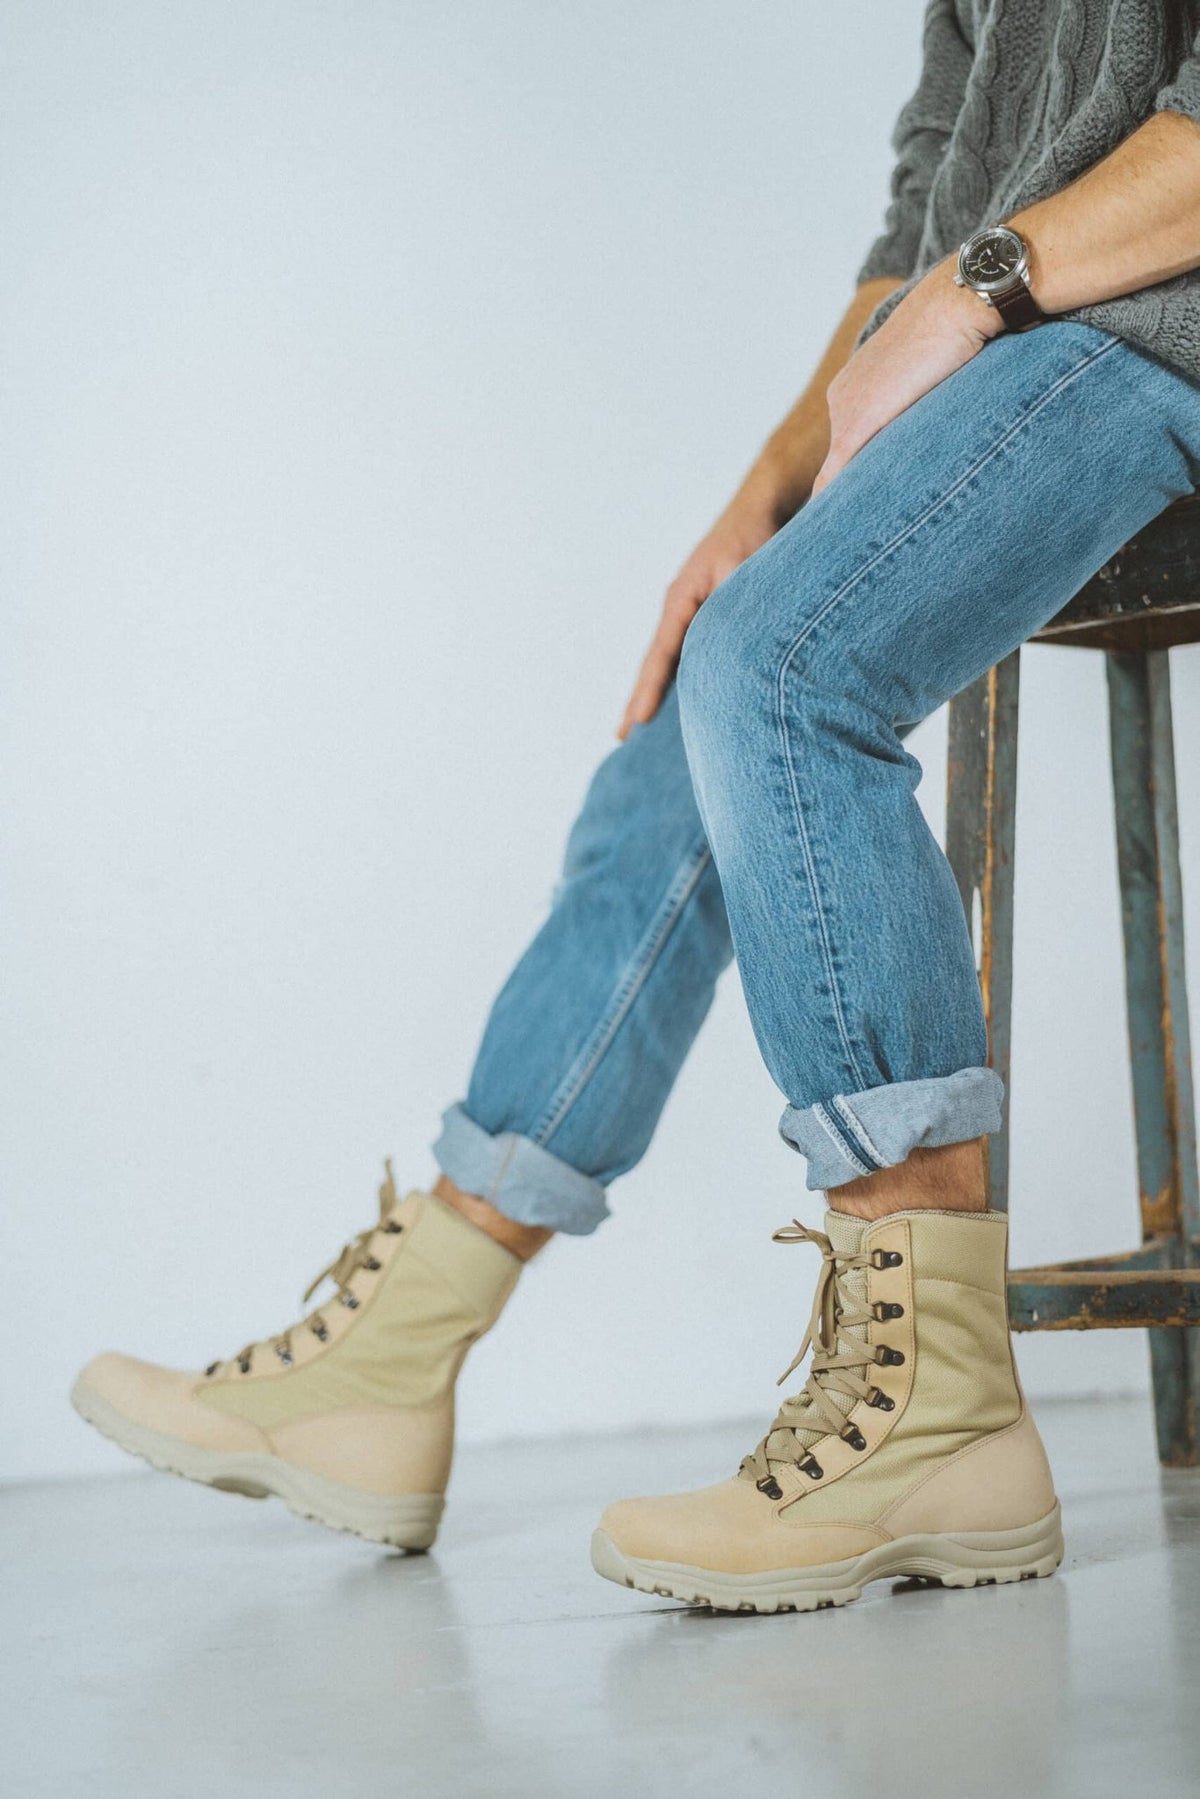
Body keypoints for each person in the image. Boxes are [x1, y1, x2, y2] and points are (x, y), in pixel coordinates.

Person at [73, 1, 1200, 1614]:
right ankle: (395, 1358)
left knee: (785, 667)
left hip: (1166, 326)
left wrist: (982, 285)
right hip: (1034, 332)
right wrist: (762, 501)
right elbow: (925, 221)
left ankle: (940, 1402)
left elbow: (988, 253)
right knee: (722, 661)